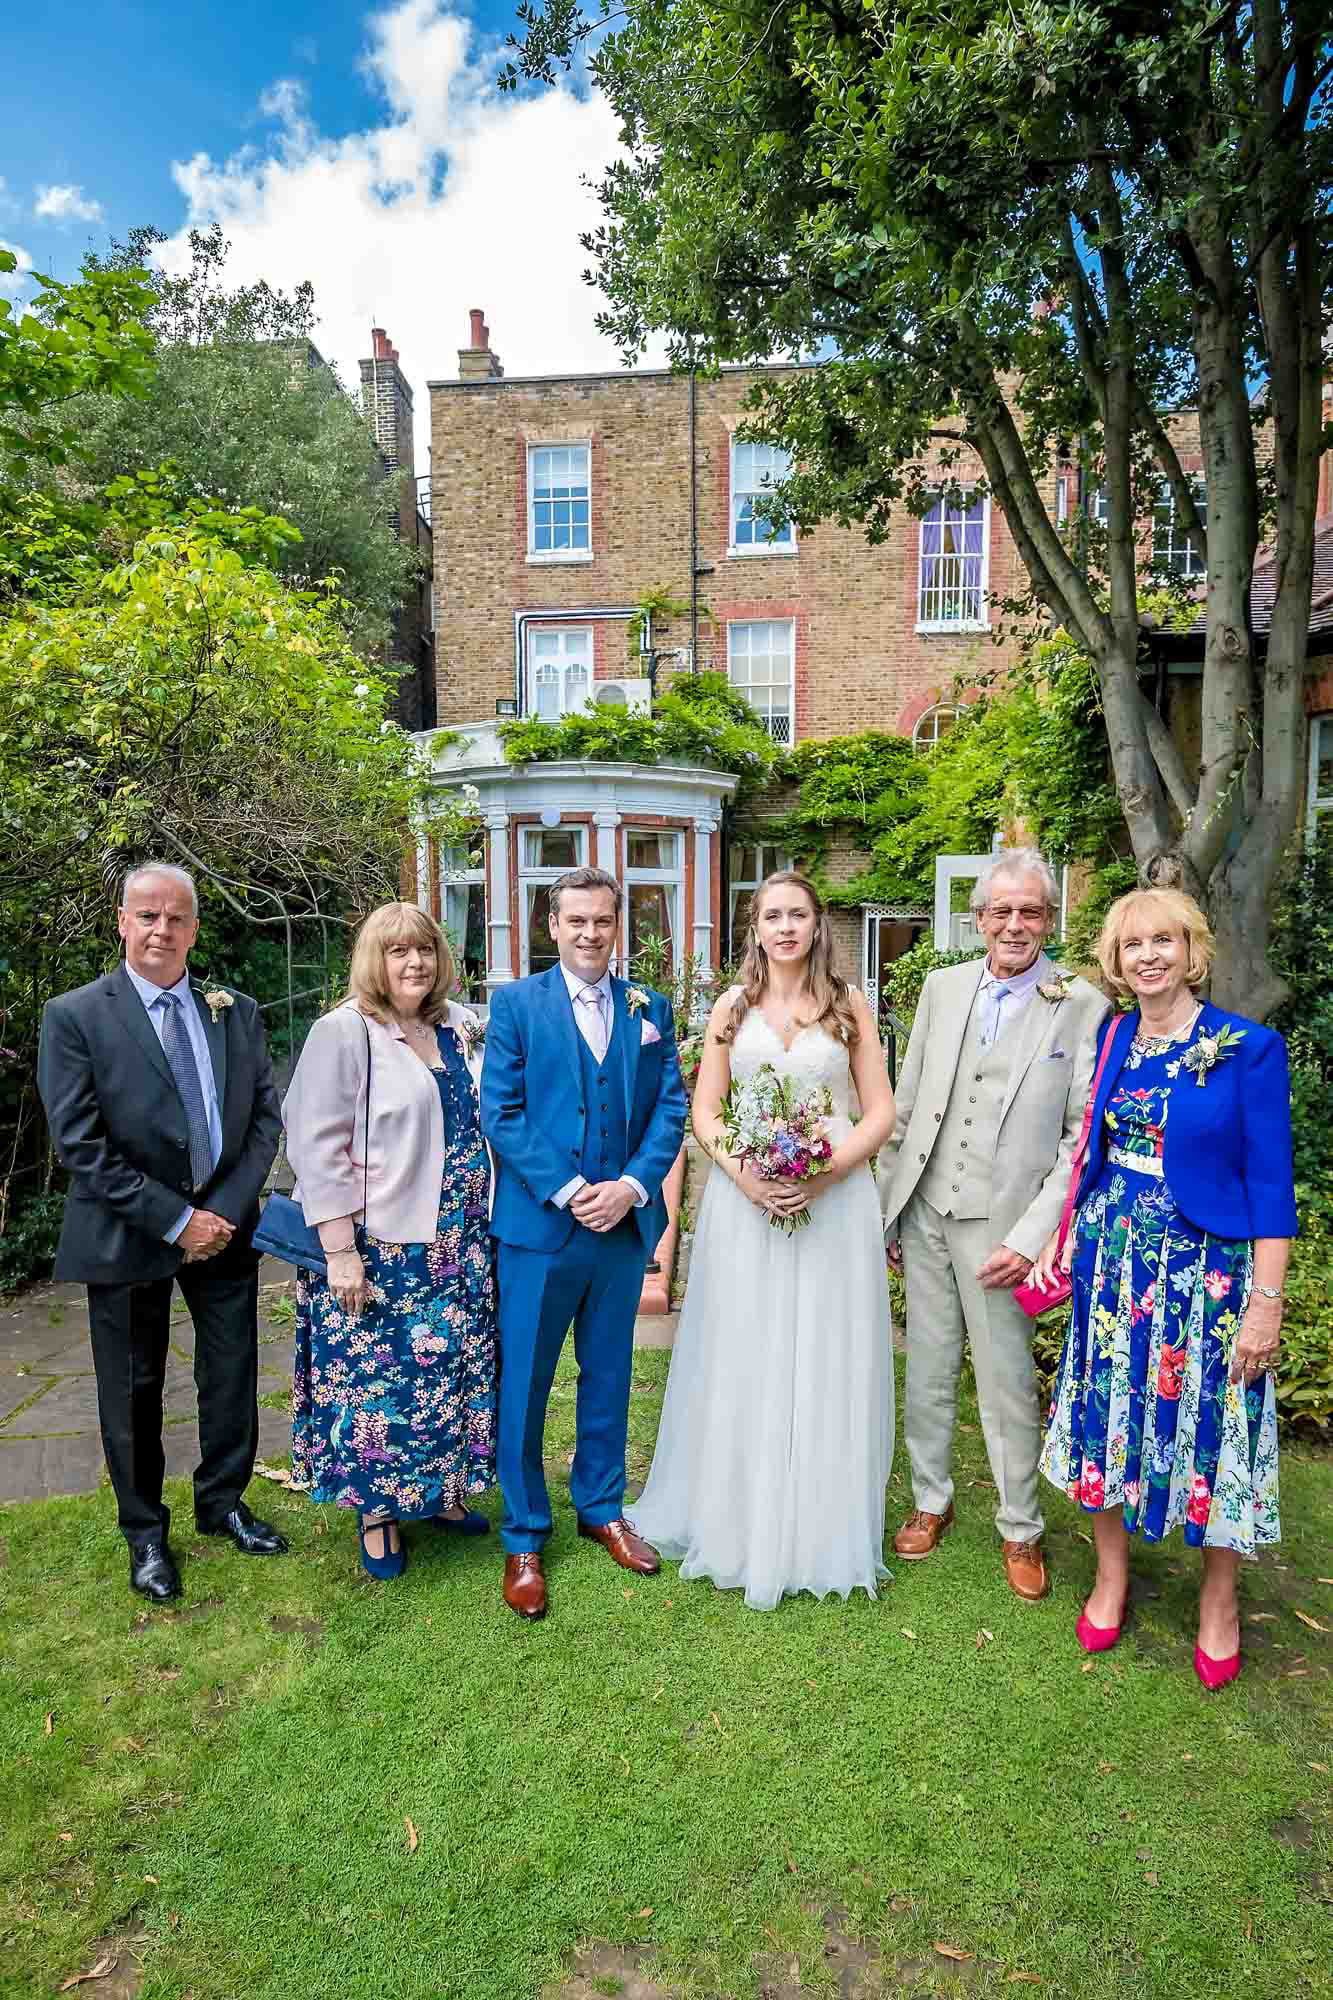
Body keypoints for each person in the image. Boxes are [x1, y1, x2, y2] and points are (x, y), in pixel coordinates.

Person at [1033, 888, 1296, 1688]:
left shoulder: (1244, 1047)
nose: (1147, 955)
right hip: (1114, 1266)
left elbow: (1271, 1186)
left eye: (1163, 941)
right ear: (1114, 962)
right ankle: (1111, 1574)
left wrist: (1265, 1301)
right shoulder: (1113, 1037)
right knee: (1105, 1411)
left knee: (1213, 1422)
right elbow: (1092, 1152)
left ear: (1192, 951)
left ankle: (1219, 1596)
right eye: (1131, 945)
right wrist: (1062, 1235)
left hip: (1208, 1274)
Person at [627, 872, 896, 1611]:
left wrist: (825, 1173)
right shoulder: (730, 1007)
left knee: (823, 1348)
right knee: (744, 1346)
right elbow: (706, 1110)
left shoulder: (848, 1008)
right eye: (772, 915)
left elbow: (878, 1112)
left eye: (797, 915)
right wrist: (744, 1178)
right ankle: (736, 1511)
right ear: (754, 927)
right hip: (744, 1207)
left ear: (816, 926)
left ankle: (817, 1521)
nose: (785, 927)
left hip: (833, 1205)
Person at [36, 863, 287, 1602]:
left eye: (176, 918)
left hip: (225, 1228)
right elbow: (80, 1143)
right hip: (128, 1231)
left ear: (194, 929)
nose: (161, 929)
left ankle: (223, 1503)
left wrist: (224, 1214)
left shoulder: (232, 1010)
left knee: (232, 1370)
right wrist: (176, 1220)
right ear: (121, 921)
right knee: (133, 1385)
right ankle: (145, 1532)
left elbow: (264, 1118)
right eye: (147, 915)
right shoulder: (76, 1015)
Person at [878, 849, 1110, 1601]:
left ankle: (1020, 1527)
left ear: (1049, 919)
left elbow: (1080, 1137)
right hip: (925, 1209)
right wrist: (888, 1205)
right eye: (1000, 911)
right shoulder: (942, 988)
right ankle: (929, 1499)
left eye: (1030, 911)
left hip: (1004, 1224)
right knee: (930, 1364)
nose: (1014, 924)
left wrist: (1030, 1236)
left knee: (1007, 1380)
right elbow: (907, 1101)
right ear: (977, 919)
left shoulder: (1081, 1003)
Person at [479, 866, 687, 1621]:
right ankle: (525, 1533)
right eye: (576, 921)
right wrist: (570, 1191)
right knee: (526, 1383)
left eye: (603, 921)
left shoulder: (648, 1006)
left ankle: (601, 1508)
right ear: (551, 925)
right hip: (541, 1230)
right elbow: (499, 1113)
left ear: (617, 925)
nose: (590, 934)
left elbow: (671, 1107)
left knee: (608, 1374)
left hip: (621, 1231)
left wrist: (631, 1187)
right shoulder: (515, 1006)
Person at [282, 903, 497, 1580]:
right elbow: (316, 1147)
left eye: (425, 950)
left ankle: (439, 1493)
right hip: (383, 1248)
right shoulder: (343, 1032)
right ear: (373, 960)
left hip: (460, 1242)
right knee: (376, 1388)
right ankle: (376, 1514)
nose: (414, 963)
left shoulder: (458, 1026)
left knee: (448, 1376)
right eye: (398, 951)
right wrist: (339, 1251)